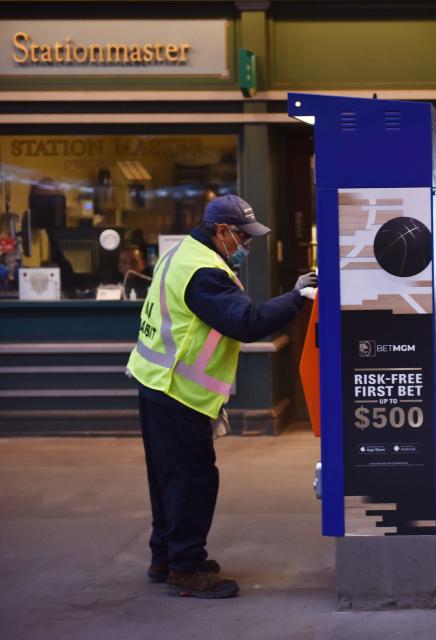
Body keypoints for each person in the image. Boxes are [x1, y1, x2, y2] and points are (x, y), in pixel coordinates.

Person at [126, 195, 317, 599]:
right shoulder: (204, 272)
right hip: (177, 389)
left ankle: (166, 557)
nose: (246, 246)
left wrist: (293, 293)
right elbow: (245, 323)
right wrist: (298, 299)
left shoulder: (186, 253)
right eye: (242, 238)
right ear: (222, 232)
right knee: (192, 482)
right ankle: (187, 568)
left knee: (167, 479)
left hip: (156, 380)